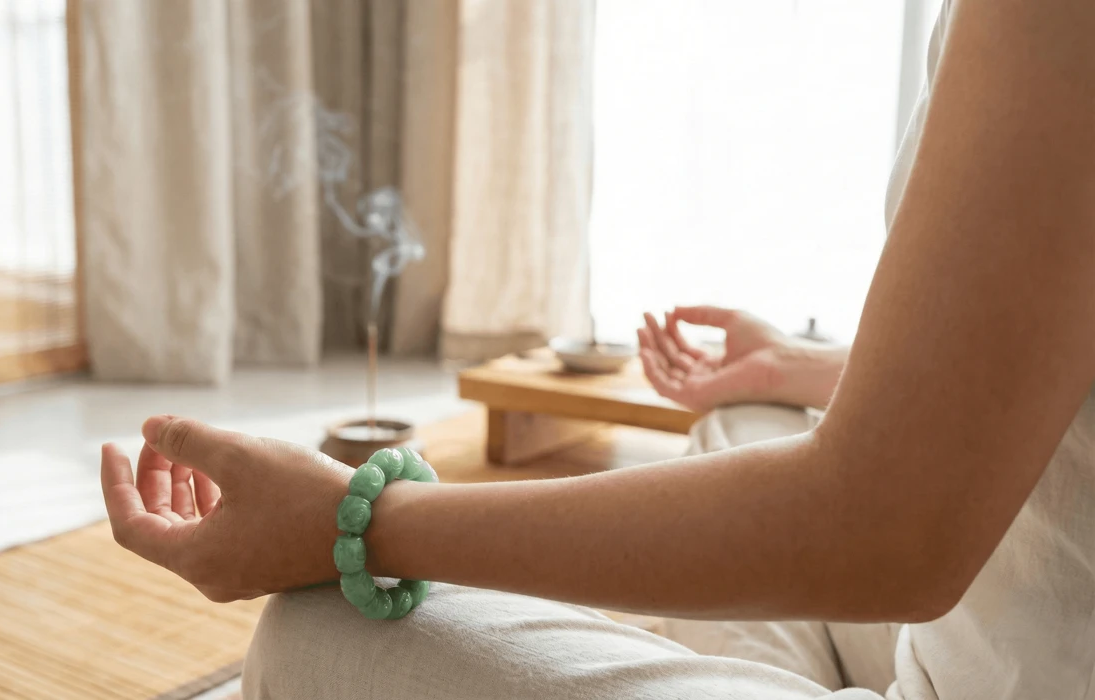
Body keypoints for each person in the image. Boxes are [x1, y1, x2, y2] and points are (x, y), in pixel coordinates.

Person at [99, 0, 1095, 697]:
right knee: (746, 420)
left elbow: (888, 534)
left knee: (319, 634)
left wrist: (356, 525)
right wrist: (801, 366)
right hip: (987, 631)